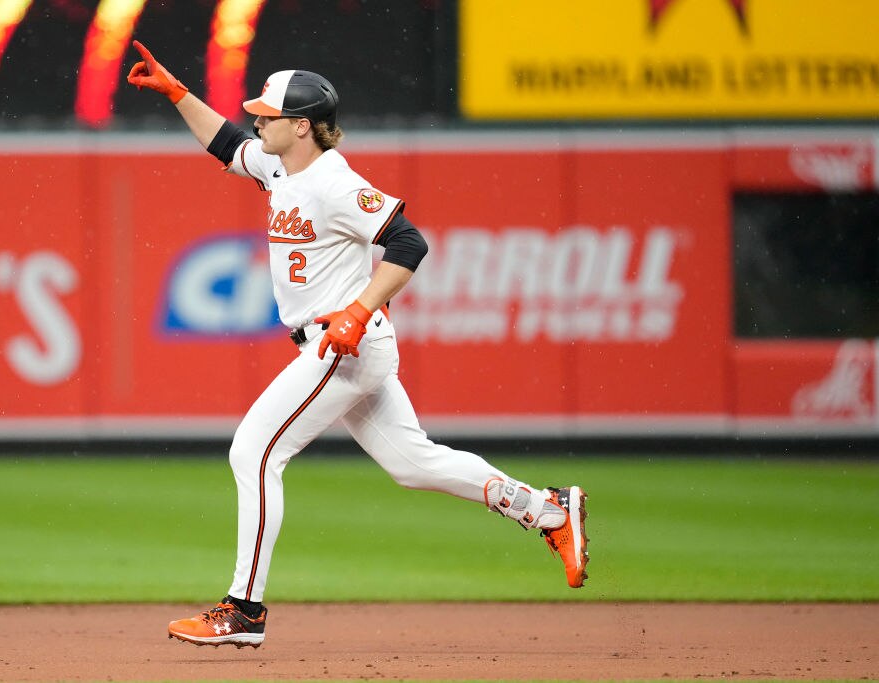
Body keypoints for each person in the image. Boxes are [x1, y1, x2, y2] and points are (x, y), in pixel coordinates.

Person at [126, 40, 589, 649]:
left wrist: (357, 309)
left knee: (254, 452)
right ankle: (547, 509)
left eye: (268, 113)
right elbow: (227, 143)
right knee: (412, 463)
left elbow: (409, 244)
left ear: (302, 126)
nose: (258, 119)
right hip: (340, 342)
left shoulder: (336, 184)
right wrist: (180, 94)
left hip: (343, 343)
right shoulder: (279, 165)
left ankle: (243, 611)